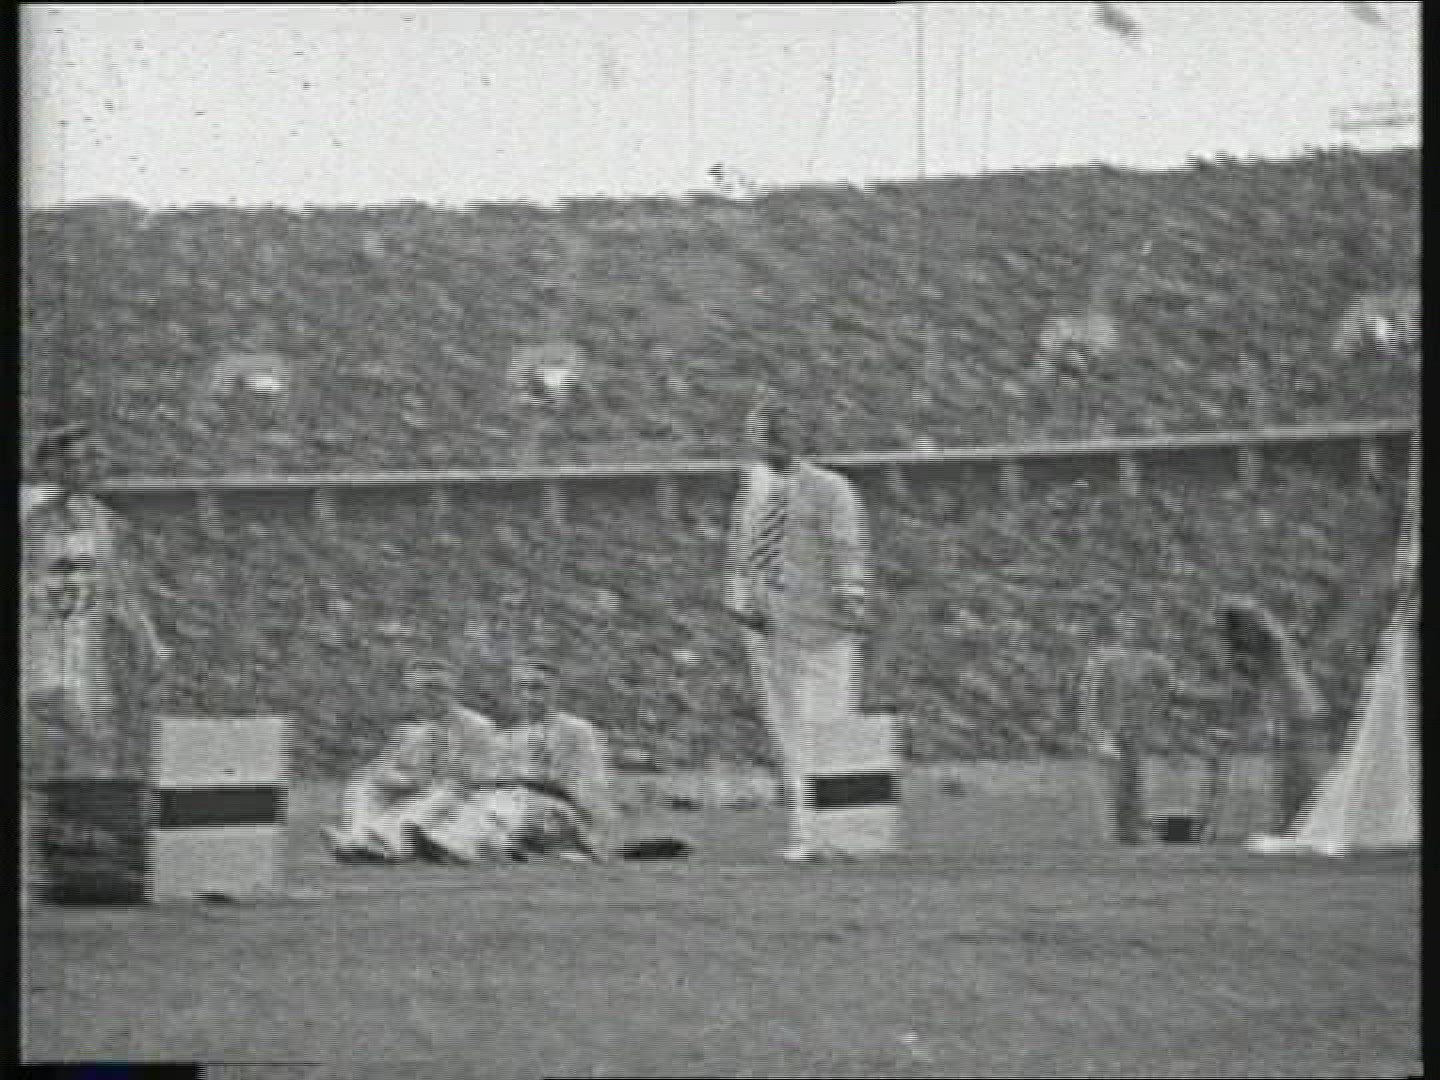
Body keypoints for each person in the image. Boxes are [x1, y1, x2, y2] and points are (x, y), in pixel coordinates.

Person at [21, 422, 171, 902]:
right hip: (34, 649)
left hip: (82, 656)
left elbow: (118, 591)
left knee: (86, 751)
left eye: (92, 459)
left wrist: (149, 641)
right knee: (82, 744)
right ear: (47, 465)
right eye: (75, 460)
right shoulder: (28, 512)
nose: (87, 468)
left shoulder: (100, 521)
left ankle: (72, 862)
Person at [724, 387, 871, 862]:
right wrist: (739, 596)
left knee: (825, 727)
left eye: (778, 431)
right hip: (768, 628)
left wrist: (851, 596)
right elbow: (742, 548)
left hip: (821, 624)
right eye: (761, 432)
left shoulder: (829, 487)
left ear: (798, 436)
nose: (769, 441)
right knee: (788, 733)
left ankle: (837, 834)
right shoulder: (753, 486)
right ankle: (809, 833)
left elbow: (847, 547)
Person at [415, 654, 616, 863]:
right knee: (466, 799)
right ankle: (438, 841)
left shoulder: (576, 730)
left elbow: (589, 785)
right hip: (515, 810)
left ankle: (458, 845)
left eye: (538, 688)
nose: (528, 695)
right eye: (520, 688)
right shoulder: (509, 735)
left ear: (555, 691)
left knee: (514, 800)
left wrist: (596, 834)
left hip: (562, 812)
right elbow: (488, 776)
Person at [324, 656, 497, 862]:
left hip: (458, 799)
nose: (430, 695)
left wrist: (427, 780)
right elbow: (381, 768)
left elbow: (477, 778)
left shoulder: (477, 726)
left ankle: (383, 840)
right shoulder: (408, 729)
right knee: (364, 785)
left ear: (451, 691)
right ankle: (359, 838)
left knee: (443, 793)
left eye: (437, 688)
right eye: (421, 689)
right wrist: (399, 778)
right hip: (420, 793)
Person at [1216, 596, 1329, 835]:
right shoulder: (1273, 640)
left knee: (1298, 770)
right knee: (1294, 770)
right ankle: (1296, 823)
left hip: (1293, 708)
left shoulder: (1264, 645)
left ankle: (1300, 823)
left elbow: (1255, 684)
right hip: (1298, 707)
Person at [1075, 610, 1176, 844]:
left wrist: (1157, 707)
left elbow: (1169, 685)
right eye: (1127, 628)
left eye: (1137, 629)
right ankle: (1123, 830)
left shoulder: (1150, 660)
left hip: (1135, 726)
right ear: (1118, 631)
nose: (1133, 633)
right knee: (1117, 779)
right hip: (1108, 728)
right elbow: (1089, 696)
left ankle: (1131, 829)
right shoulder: (1103, 659)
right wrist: (1094, 730)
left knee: (1133, 778)